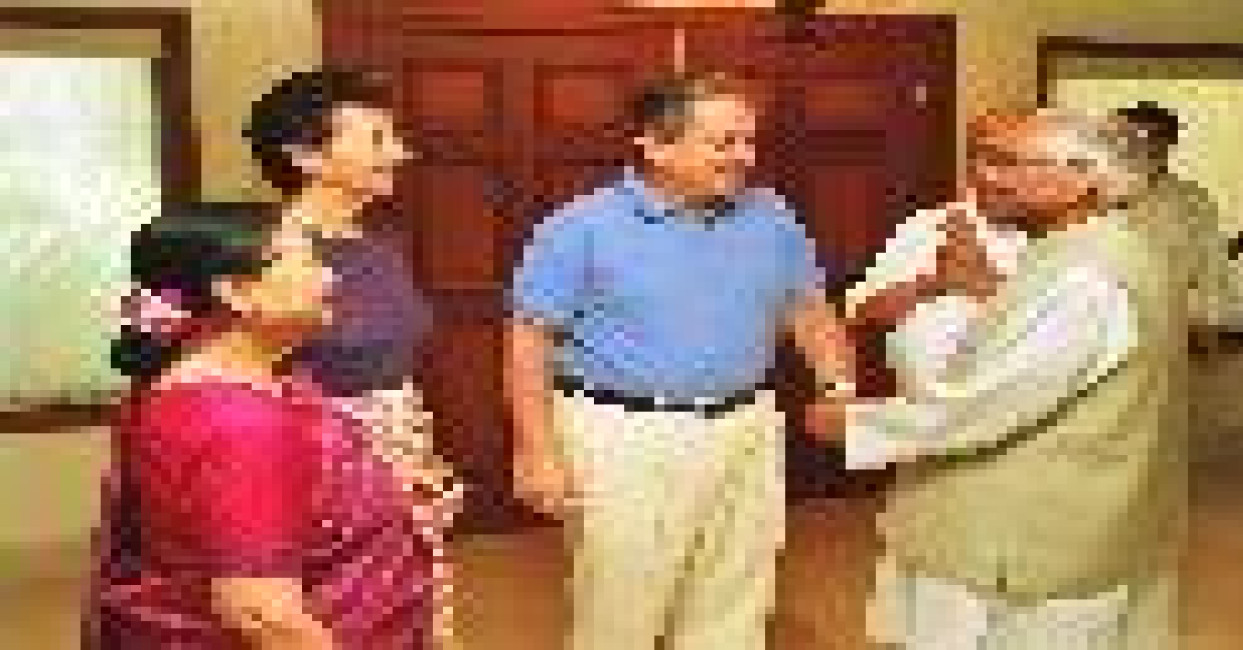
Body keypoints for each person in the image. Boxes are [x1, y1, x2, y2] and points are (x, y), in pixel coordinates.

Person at [507, 70, 858, 650]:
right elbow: (529, 341)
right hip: (624, 437)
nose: (745, 157)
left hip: (747, 429)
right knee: (620, 612)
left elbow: (809, 311)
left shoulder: (772, 215)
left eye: (749, 140)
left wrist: (838, 388)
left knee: (735, 604)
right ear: (656, 146)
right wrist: (537, 451)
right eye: (724, 143)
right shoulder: (580, 227)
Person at [813, 109, 1182, 650]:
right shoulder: (1083, 250)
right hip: (1007, 506)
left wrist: (857, 426)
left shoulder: (1088, 276)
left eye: (1012, 163)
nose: (988, 176)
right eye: (986, 159)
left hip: (1028, 531)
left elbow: (987, 403)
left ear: (1083, 179)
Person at [89, 203, 433, 648]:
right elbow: (262, 613)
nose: (329, 277)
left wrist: (379, 494)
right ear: (236, 292)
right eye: (305, 261)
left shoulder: (240, 380)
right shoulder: (238, 422)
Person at [242, 68, 458, 642]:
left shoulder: (378, 246)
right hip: (316, 481)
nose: (401, 154)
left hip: (401, 463)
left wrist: (419, 458)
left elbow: (392, 372)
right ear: (305, 157)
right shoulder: (270, 256)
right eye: (378, 139)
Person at [1110, 101, 1233, 349]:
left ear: (1169, 142)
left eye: (1154, 137)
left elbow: (1211, 265)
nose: (1143, 145)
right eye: (1131, 136)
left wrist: (1207, 323)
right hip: (1103, 320)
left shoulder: (1193, 200)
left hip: (1169, 323)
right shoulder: (1093, 193)